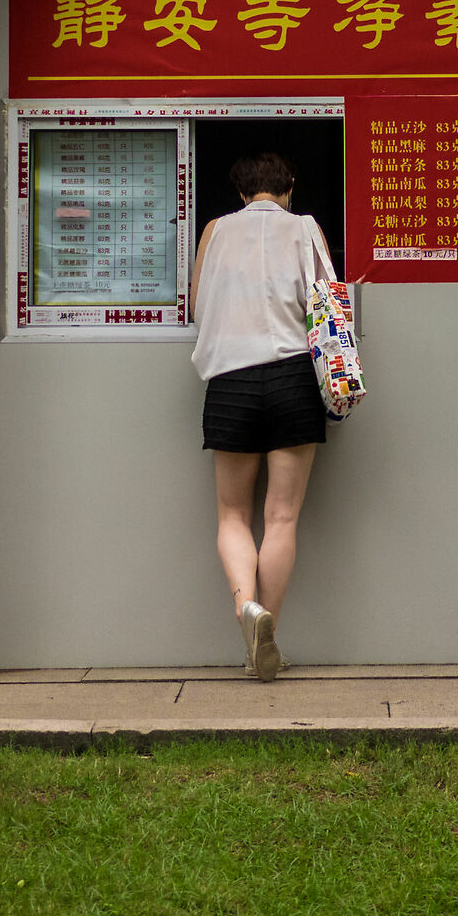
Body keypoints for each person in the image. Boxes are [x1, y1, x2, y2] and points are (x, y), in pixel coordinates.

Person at [187, 150, 334, 682]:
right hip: (294, 378)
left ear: (240, 191)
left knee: (231, 515)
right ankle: (266, 632)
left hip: (231, 382)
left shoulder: (215, 231)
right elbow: (329, 307)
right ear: (289, 186)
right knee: (281, 518)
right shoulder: (307, 229)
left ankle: (247, 608)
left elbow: (198, 306)